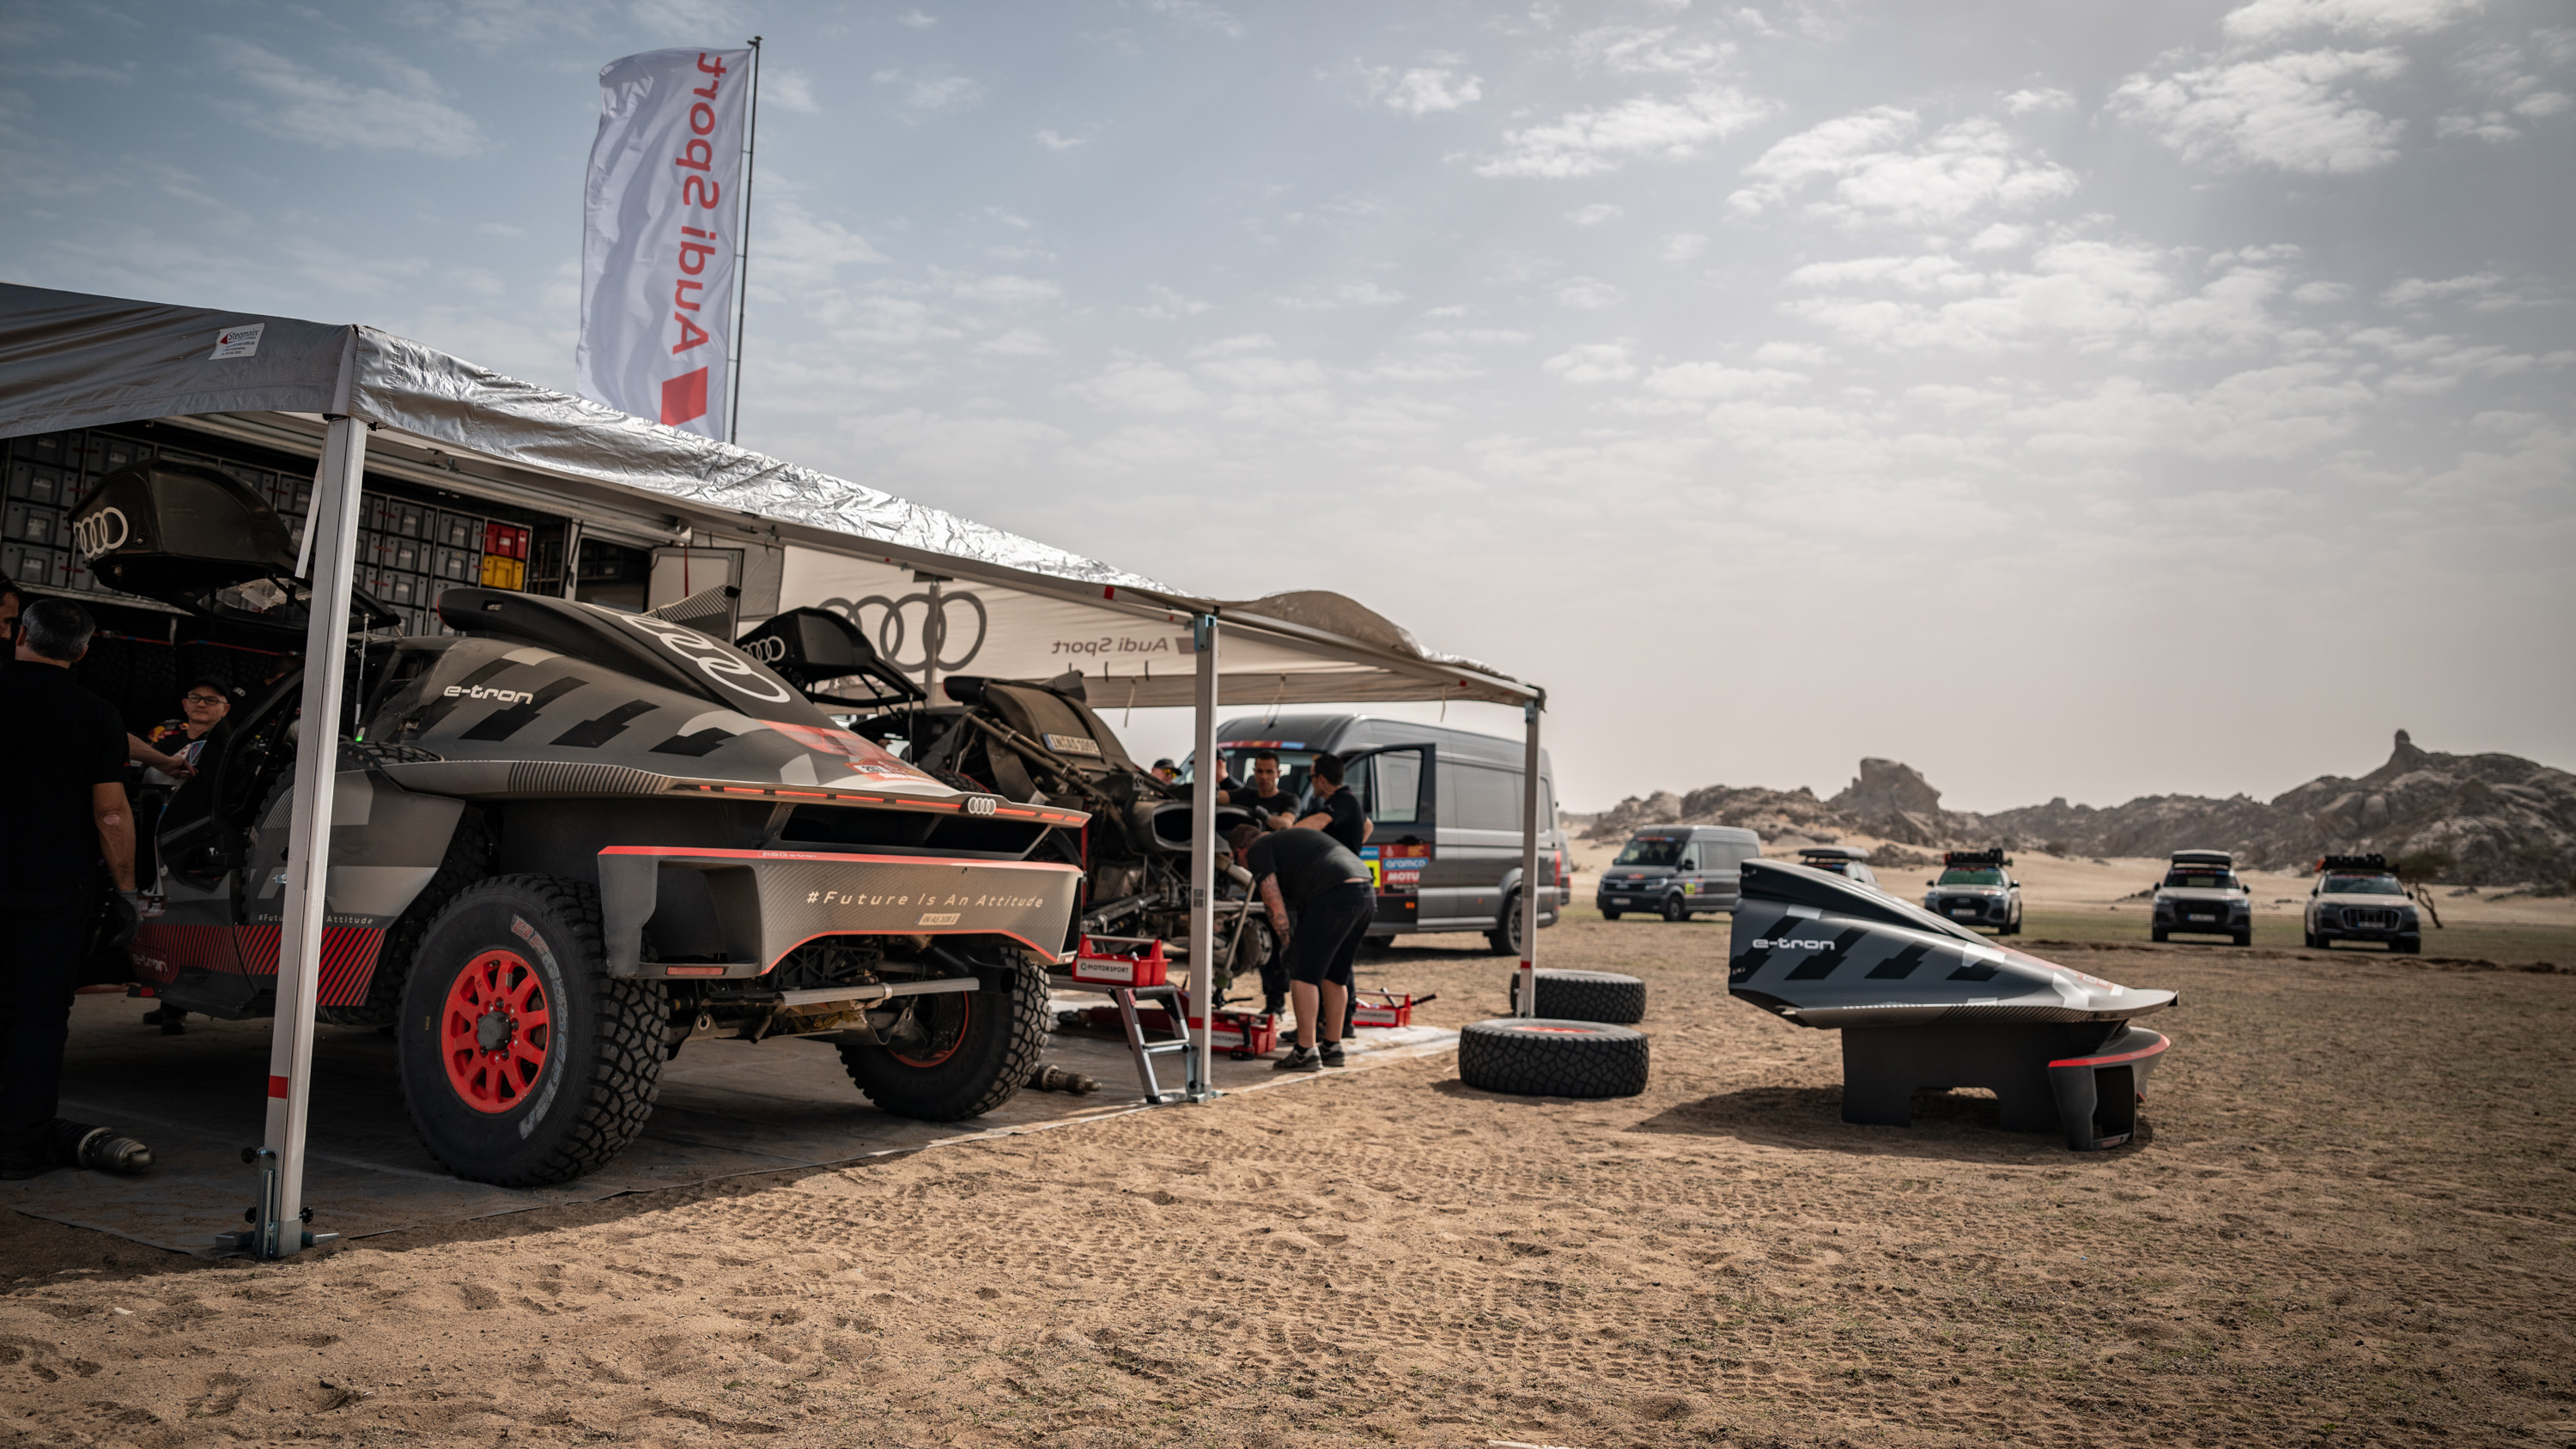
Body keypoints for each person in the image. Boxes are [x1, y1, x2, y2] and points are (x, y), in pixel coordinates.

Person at [1, 598, 154, 1179]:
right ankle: (18, 1149)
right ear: (84, 651)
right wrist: (128, 890)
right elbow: (112, 815)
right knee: (37, 1018)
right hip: (53, 888)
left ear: (20, 635)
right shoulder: (95, 715)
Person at [1230, 822, 1372, 1073]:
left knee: (1303, 974)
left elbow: (1272, 899)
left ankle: (1305, 1051)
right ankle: (1332, 1045)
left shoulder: (1259, 848)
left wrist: (1288, 943)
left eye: (1239, 861)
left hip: (1333, 892)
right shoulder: (1287, 842)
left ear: (1239, 851)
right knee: (1335, 975)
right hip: (1364, 892)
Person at [142, 677, 235, 776]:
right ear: (185, 704)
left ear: (225, 709)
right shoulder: (162, 746)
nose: (201, 704)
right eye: (195, 698)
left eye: (211, 700)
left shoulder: (230, 750)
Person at [1295, 752, 1371, 853]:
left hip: (1339, 867)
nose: (1311, 782)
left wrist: (1282, 835)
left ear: (1321, 779)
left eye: (1311, 778)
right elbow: (1368, 826)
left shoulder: (1342, 799)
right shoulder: (1347, 798)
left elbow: (1319, 821)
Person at [1231, 749, 1302, 830]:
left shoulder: (1289, 799)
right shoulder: (1245, 794)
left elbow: (1287, 824)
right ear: (1255, 772)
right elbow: (1220, 796)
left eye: (1269, 772)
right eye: (1260, 771)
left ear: (1278, 774)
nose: (1264, 777)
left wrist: (1267, 817)